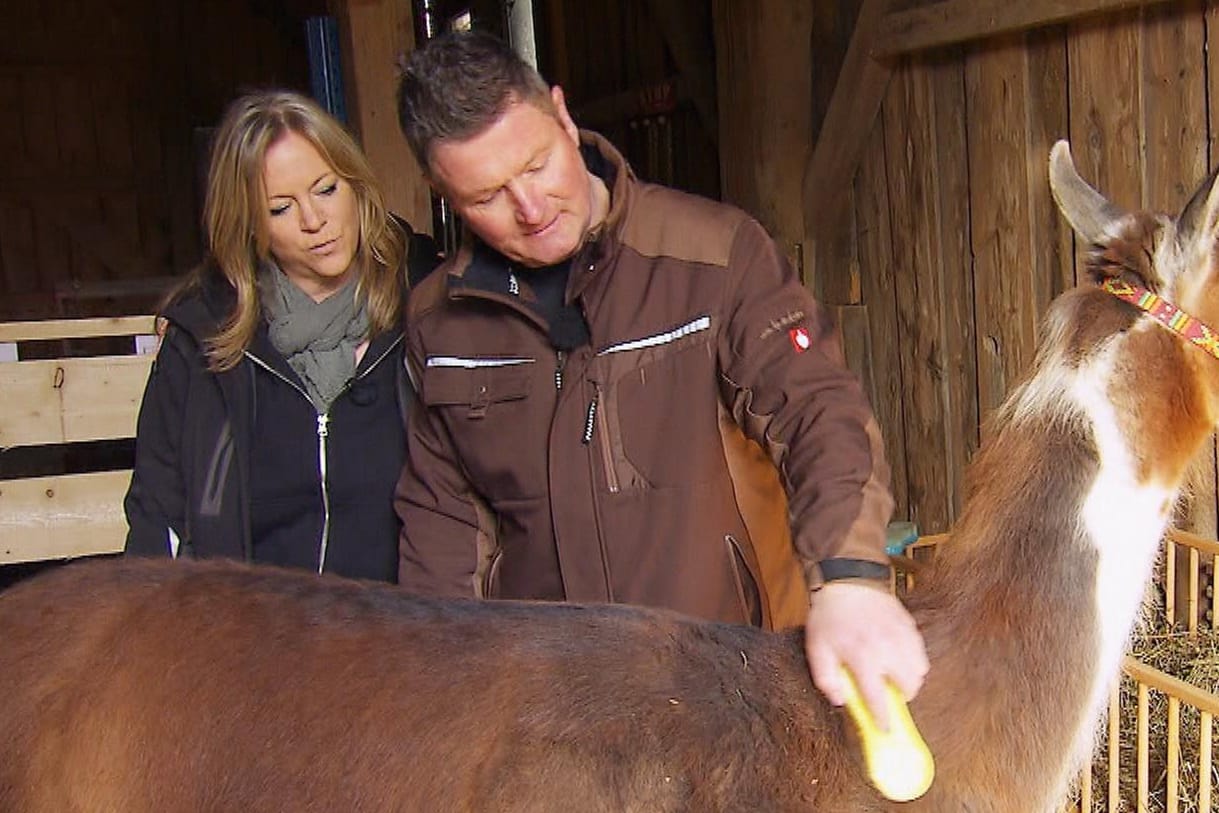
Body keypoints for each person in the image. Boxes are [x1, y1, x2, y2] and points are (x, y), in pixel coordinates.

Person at [393, 31, 927, 724]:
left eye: (536, 163)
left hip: (724, 680)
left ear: (561, 115)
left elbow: (816, 410)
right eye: (487, 195)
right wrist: (437, 681)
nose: (528, 207)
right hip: (546, 702)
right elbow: (444, 518)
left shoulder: (713, 255)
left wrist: (850, 576)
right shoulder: (439, 322)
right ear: (442, 194)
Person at [125, 89, 438, 582]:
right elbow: (156, 517)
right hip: (253, 640)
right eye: (281, 209)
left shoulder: (426, 304)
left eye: (326, 189)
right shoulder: (203, 337)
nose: (316, 221)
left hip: (398, 637)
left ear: (355, 184)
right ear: (250, 226)